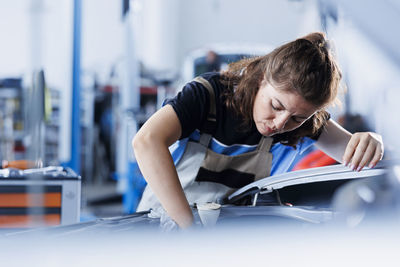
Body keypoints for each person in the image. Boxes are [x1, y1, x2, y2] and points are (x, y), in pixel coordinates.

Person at [132, 32, 384, 229]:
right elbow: (146, 141)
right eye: (276, 105)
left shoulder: (306, 121)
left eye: (297, 117)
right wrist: (188, 229)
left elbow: (359, 156)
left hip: (232, 236)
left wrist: (373, 142)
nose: (281, 124)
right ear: (261, 77)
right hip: (163, 224)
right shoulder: (207, 95)